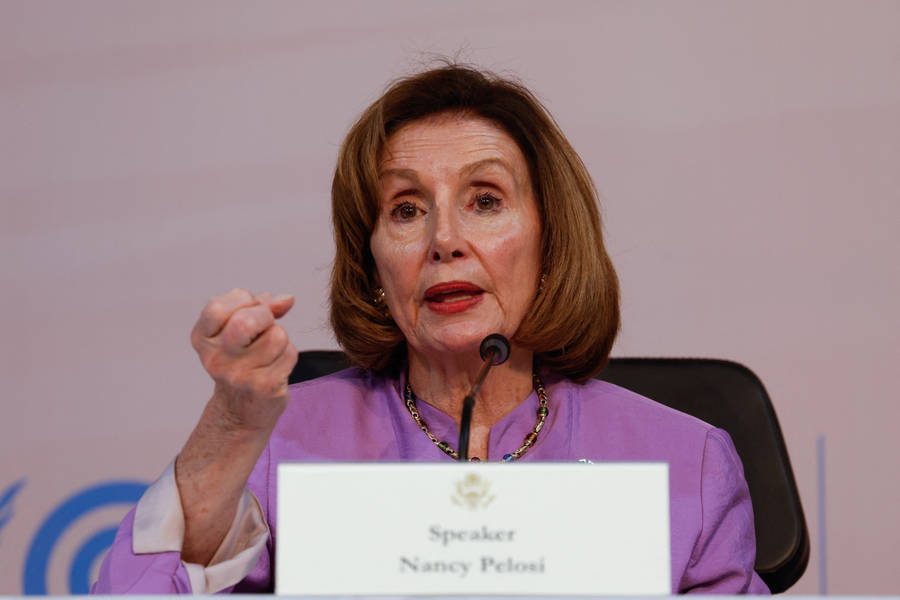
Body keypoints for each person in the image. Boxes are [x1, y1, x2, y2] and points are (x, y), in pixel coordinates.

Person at [92, 65, 768, 594]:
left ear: (551, 240)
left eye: (485, 200)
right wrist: (232, 428)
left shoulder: (688, 462)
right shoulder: (278, 445)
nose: (445, 239)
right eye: (407, 209)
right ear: (373, 262)